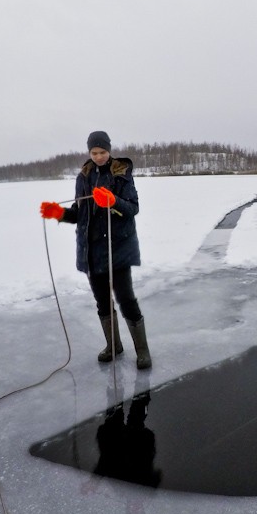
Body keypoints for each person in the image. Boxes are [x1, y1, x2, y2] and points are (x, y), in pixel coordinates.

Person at [40, 131, 152, 369]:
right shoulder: (84, 176)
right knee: (102, 301)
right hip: (91, 250)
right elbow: (80, 213)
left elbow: (133, 208)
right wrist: (60, 213)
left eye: (102, 152)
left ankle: (142, 351)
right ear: (89, 153)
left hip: (118, 248)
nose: (99, 156)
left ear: (109, 150)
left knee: (126, 299)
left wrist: (113, 202)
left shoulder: (121, 173)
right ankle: (114, 346)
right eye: (94, 152)